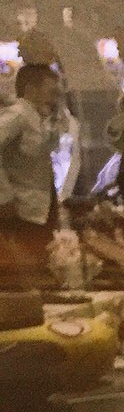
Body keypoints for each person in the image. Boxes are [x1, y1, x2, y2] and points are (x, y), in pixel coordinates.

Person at [0, 63, 64, 285]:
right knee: (26, 274)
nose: (54, 98)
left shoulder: (37, 119)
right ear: (30, 89)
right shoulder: (17, 115)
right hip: (21, 211)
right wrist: (4, 197)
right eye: (50, 92)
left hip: (39, 209)